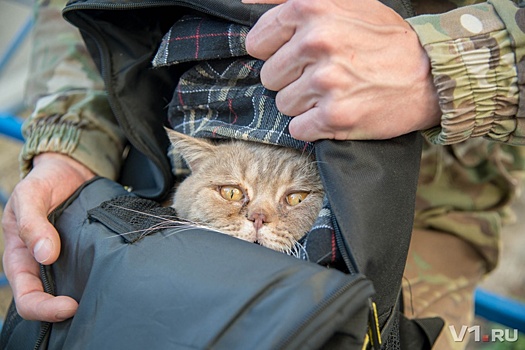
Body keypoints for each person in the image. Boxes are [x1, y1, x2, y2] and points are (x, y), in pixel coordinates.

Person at [1, 0, 524, 348]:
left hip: (422, 209)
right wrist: (70, 147)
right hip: (159, 172)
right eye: (240, 197)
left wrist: (448, 64)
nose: (257, 216)